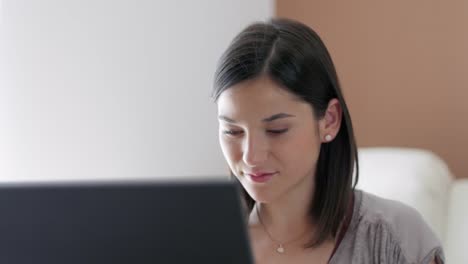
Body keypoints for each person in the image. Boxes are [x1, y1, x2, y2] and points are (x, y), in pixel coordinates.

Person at [211, 18, 444, 264]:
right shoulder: (205, 240)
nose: (251, 156)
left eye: (276, 130)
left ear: (329, 120)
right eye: (232, 131)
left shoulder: (393, 238)